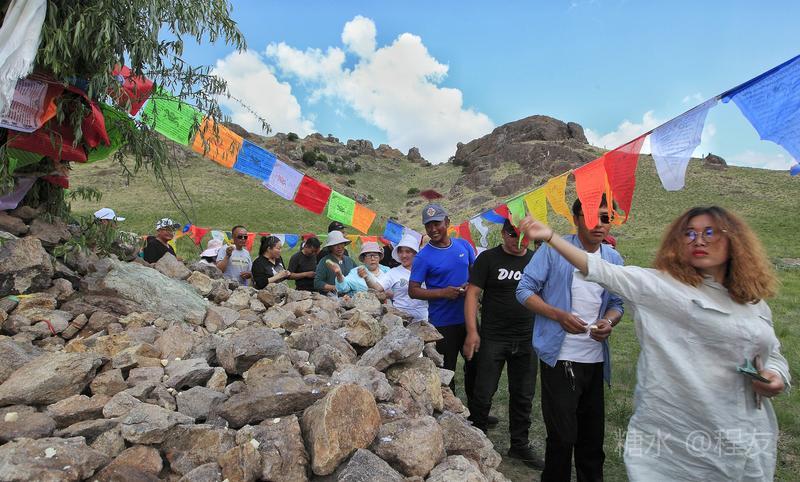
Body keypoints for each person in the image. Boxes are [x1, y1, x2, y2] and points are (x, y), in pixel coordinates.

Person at [519, 205, 790, 481]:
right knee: (563, 436)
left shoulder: (752, 302)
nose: (699, 240)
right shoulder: (662, 288)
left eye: (710, 232)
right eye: (689, 233)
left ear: (735, 240)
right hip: (682, 437)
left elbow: (771, 353)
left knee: (591, 437)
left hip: (745, 437)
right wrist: (551, 237)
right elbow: (602, 271)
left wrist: (775, 374)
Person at [516, 196, 624, 482]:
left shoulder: (613, 258)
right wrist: (558, 315)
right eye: (592, 217)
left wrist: (608, 321)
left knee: (592, 439)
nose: (600, 224)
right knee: (562, 438)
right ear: (576, 219)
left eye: (606, 218)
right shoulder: (553, 251)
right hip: (560, 357)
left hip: (595, 359)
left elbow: (617, 304)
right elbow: (524, 290)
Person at [464, 219, 543, 468]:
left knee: (523, 394)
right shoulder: (488, 259)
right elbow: (472, 294)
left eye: (524, 235)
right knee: (483, 391)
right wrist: (472, 331)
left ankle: (519, 444)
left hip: (527, 337)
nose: (519, 240)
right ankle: (477, 442)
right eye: (513, 234)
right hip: (493, 337)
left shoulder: (535, 260)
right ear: (503, 233)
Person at [409, 203, 476, 398]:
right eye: (428, 225)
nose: (433, 229)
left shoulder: (464, 246)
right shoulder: (423, 257)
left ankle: (476, 409)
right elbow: (413, 290)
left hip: (469, 319)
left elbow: (475, 274)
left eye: (437, 223)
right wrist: (443, 293)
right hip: (442, 323)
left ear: (447, 222)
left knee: (476, 366)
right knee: (446, 371)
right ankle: (450, 410)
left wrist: (470, 285)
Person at [363, 233, 428, 321]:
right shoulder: (393, 272)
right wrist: (366, 277)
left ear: (415, 253)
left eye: (408, 252)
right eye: (401, 252)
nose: (403, 255)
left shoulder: (425, 270)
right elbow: (377, 288)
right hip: (402, 320)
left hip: (424, 320)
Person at [314, 230, 356, 296]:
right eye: (335, 245)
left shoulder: (349, 260)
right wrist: (335, 287)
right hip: (331, 298)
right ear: (330, 247)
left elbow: (357, 276)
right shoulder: (324, 262)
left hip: (350, 297)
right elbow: (317, 283)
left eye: (341, 243)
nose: (339, 247)